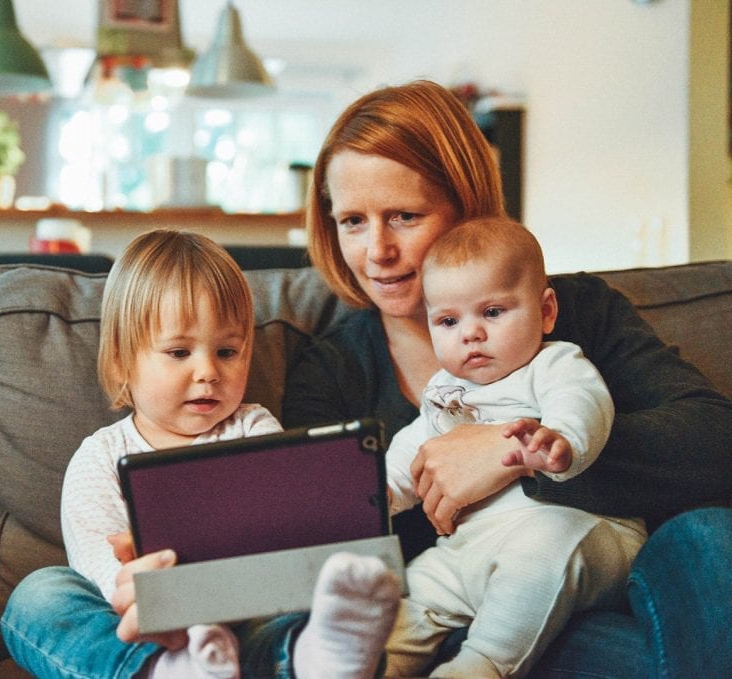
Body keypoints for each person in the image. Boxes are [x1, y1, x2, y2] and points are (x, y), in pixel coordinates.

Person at [282, 79, 732, 677]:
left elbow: (713, 441)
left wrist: (511, 451)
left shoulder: (575, 314)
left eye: (404, 216)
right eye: (353, 222)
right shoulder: (331, 371)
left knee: (709, 535)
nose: (377, 251)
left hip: (607, 581)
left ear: (466, 207)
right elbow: (327, 542)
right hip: (448, 618)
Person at [0, 228, 401, 679]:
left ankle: (316, 659)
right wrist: (161, 600)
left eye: (227, 351)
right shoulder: (99, 458)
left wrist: (340, 505)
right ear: (120, 362)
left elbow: (285, 534)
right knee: (39, 595)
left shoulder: (254, 428)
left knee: (312, 611)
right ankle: (166, 670)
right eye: (179, 352)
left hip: (248, 619)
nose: (208, 372)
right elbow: (103, 575)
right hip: (147, 627)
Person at [381, 216, 645, 677]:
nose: (470, 333)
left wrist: (562, 438)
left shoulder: (553, 363)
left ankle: (481, 665)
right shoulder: (445, 389)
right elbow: (415, 448)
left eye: (493, 312)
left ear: (545, 311)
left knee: (537, 555)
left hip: (577, 534)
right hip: (471, 549)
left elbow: (582, 401)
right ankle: (373, 662)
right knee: (415, 589)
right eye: (448, 320)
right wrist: (380, 492)